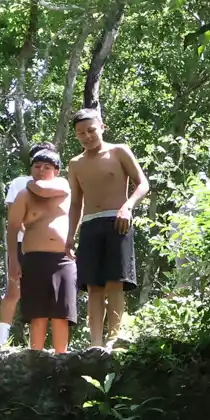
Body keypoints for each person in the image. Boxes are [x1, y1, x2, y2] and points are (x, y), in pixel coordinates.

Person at [65, 108, 150, 347]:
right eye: (81, 133)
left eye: (91, 130)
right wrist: (70, 236)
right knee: (93, 287)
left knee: (115, 282)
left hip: (117, 221)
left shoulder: (119, 151)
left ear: (102, 127)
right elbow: (75, 203)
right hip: (90, 224)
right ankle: (95, 343)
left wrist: (128, 206)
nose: (87, 136)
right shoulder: (75, 164)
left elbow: (143, 183)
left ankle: (114, 339)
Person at [6, 148, 77, 354]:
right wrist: (13, 260)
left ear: (56, 171)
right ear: (30, 169)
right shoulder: (24, 195)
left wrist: (31, 183)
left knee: (61, 313)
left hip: (62, 259)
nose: (41, 170)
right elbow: (12, 228)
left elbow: (44, 190)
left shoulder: (63, 185)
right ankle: (36, 357)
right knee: (37, 314)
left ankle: (61, 357)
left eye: (47, 167)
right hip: (34, 258)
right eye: (37, 166)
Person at [0, 141, 55, 345]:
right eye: (37, 159)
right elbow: (12, 216)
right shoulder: (19, 183)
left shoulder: (59, 185)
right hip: (22, 244)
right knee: (14, 290)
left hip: (49, 248)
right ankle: (1, 341)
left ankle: (39, 345)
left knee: (46, 294)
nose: (42, 166)